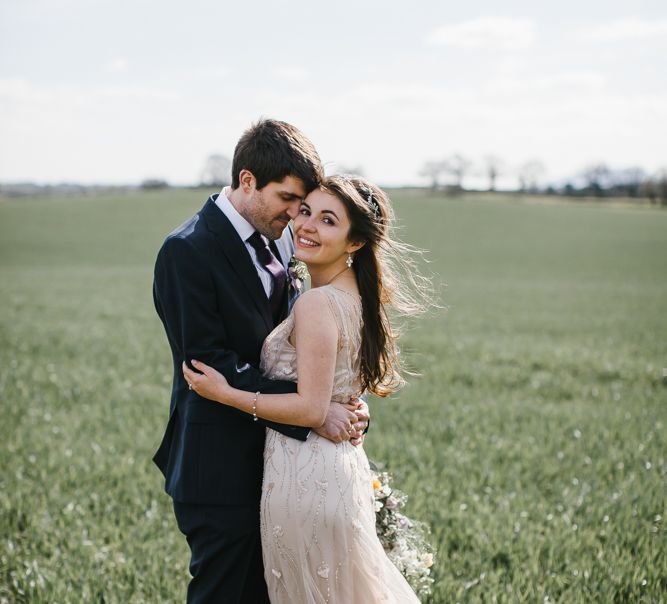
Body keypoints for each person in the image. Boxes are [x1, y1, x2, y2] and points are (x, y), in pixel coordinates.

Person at [184, 175, 431, 603]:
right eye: (305, 211)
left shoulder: (317, 303)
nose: (307, 226)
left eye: (328, 220)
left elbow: (312, 409)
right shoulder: (357, 295)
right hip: (339, 471)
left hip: (305, 478)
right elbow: (338, 389)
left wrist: (226, 393)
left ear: (355, 242)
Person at [152, 120, 370, 604]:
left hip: (284, 469)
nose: (298, 215)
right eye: (289, 199)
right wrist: (315, 411)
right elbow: (208, 366)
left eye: (305, 204)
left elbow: (312, 345)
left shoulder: (284, 241)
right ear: (247, 181)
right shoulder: (187, 251)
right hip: (220, 467)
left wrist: (342, 402)